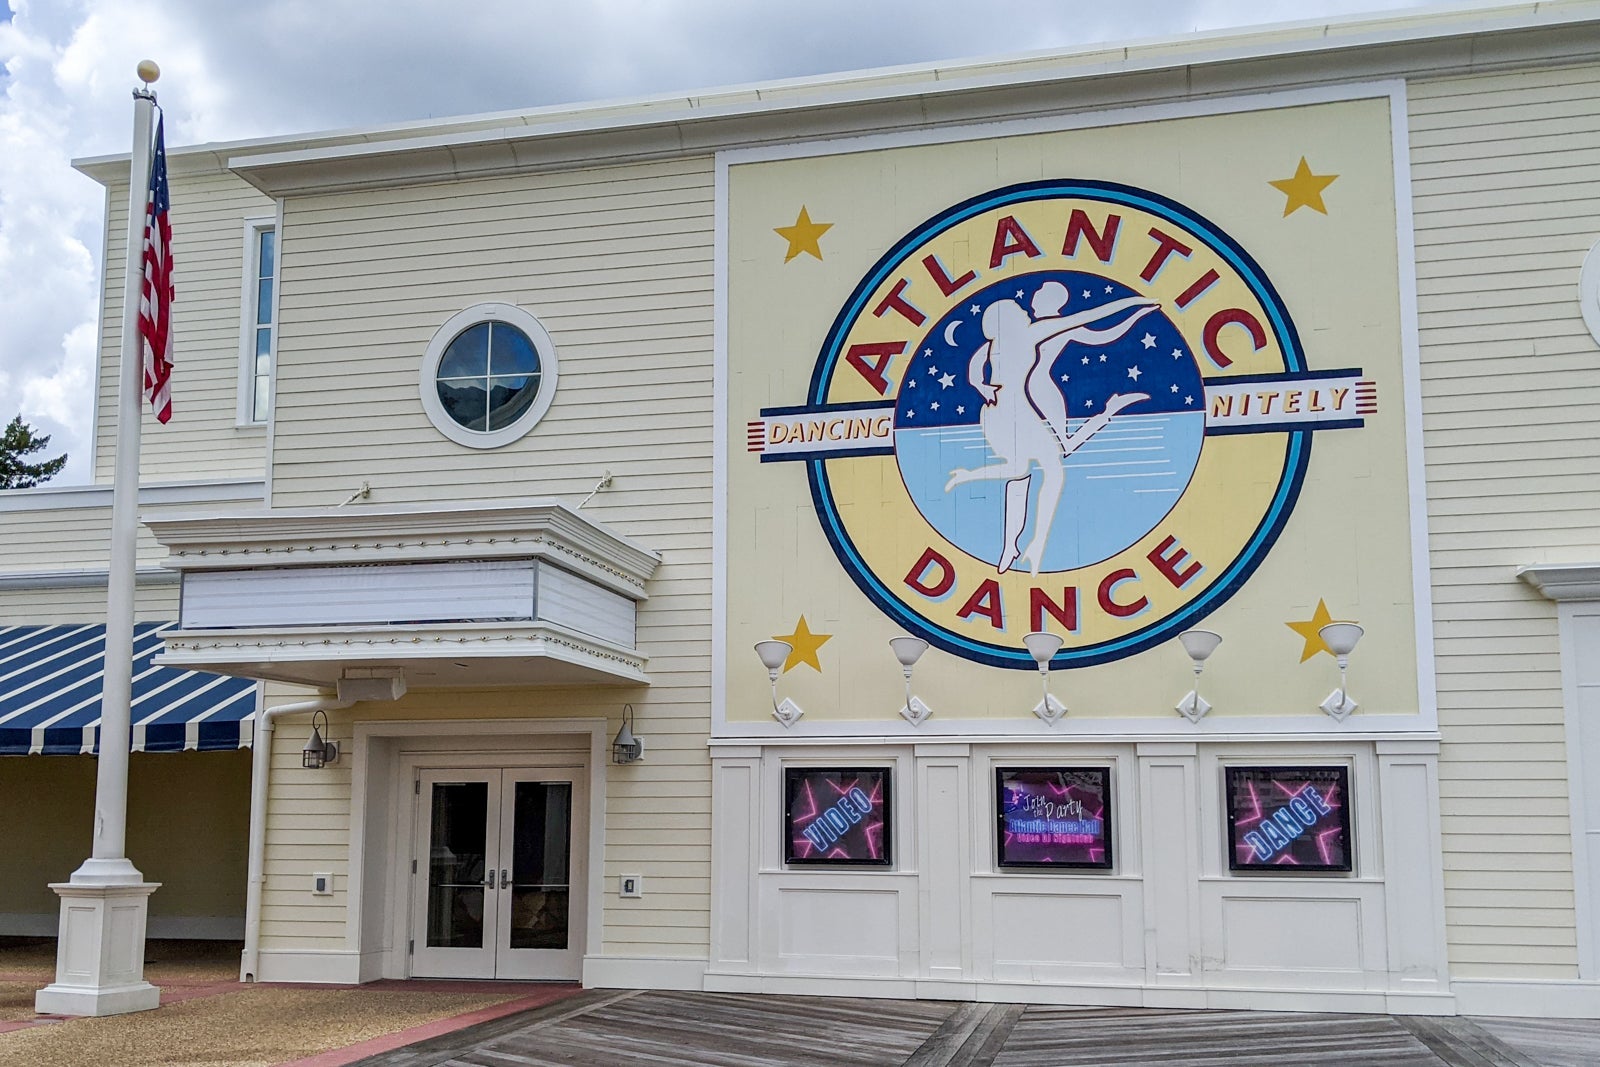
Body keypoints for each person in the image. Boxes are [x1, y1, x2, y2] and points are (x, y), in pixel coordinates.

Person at [946, 290, 1158, 573]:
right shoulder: (1030, 334)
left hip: (995, 413)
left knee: (1019, 472)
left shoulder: (991, 345)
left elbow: (973, 370)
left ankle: (1010, 544)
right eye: (1018, 310)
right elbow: (1088, 316)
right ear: (1008, 319)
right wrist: (1134, 303)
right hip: (1017, 413)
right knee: (1051, 470)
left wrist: (981, 387)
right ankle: (1035, 541)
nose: (1026, 312)